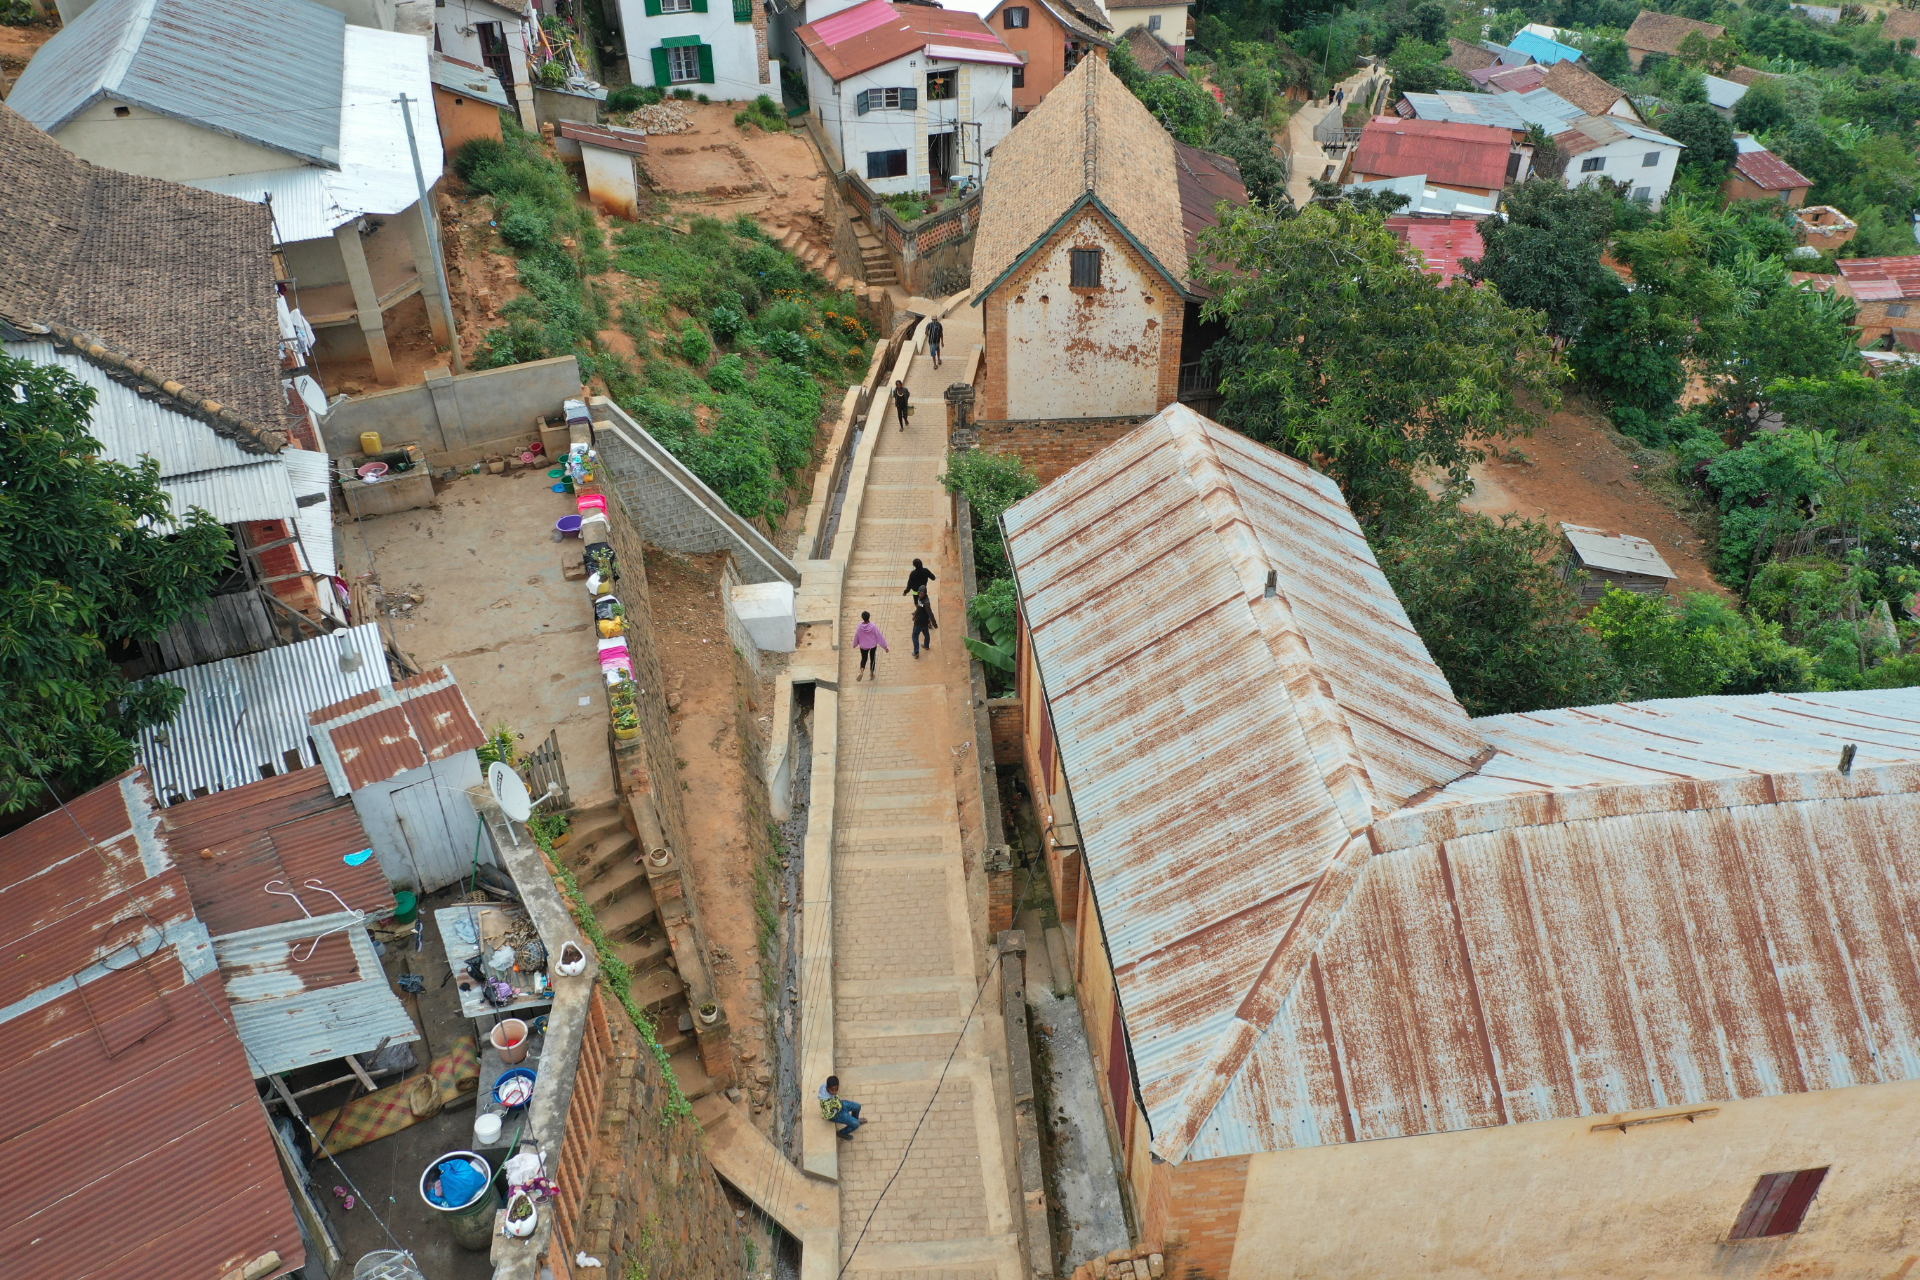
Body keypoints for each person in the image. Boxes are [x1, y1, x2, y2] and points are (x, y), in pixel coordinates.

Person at [854, 610, 888, 681]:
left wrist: (855, 644)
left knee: (864, 658)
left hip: (863, 646)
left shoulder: (859, 627)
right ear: (869, 617)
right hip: (872, 645)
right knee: (872, 659)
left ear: (862, 618)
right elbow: (879, 636)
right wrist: (885, 646)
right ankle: (872, 673)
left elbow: (857, 636)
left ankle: (862, 670)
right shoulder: (873, 626)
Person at [911, 589, 937, 658]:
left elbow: (930, 613)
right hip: (923, 622)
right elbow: (918, 609)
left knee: (915, 636)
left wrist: (934, 624)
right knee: (926, 633)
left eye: (921, 593)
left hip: (920, 623)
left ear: (925, 593)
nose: (920, 595)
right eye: (919, 593)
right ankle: (926, 645)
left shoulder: (926, 603)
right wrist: (915, 615)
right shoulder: (920, 599)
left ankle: (916, 653)